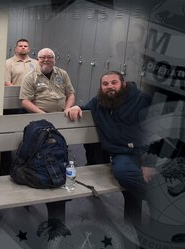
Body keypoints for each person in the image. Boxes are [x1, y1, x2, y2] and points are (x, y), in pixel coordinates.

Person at [65, 71, 154, 226]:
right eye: (105, 84)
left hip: (147, 152)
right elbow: (85, 107)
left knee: (137, 183)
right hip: (124, 154)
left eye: (114, 83)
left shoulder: (141, 100)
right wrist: (76, 106)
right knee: (123, 174)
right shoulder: (99, 101)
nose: (109, 87)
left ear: (123, 84)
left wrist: (149, 163)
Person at [20, 47, 75, 113]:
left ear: (54, 60)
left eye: (50, 57)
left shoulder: (62, 73)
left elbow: (70, 95)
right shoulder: (30, 77)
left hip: (63, 114)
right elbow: (25, 102)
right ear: (37, 60)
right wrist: (43, 114)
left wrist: (67, 109)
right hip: (40, 115)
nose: (46, 60)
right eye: (43, 57)